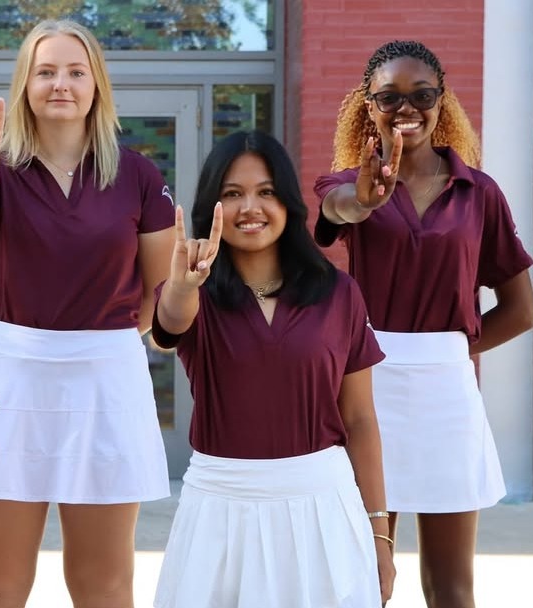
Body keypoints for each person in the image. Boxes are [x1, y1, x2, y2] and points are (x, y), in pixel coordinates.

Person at [0, 19, 176, 608]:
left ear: (96, 84)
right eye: (45, 72)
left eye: (76, 72)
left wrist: (106, 341)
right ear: (25, 84)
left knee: (104, 585)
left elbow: (158, 289)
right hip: (10, 376)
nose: (61, 84)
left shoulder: (139, 175)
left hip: (105, 375)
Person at [315, 40, 533, 608]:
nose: (405, 107)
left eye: (421, 94)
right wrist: (363, 200)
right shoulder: (347, 181)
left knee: (451, 587)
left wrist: (449, 346)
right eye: (387, 97)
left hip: (447, 391)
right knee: (364, 575)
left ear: (443, 101)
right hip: (367, 387)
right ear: (368, 105)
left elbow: (520, 309)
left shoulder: (478, 192)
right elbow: (335, 210)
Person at [151, 130, 395, 607]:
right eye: (232, 194)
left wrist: (380, 533)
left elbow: (361, 420)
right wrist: (183, 286)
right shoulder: (191, 290)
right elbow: (169, 325)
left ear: (288, 201)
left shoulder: (339, 293)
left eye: (266, 192)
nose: (251, 207)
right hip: (219, 511)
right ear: (211, 206)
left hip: (322, 509)